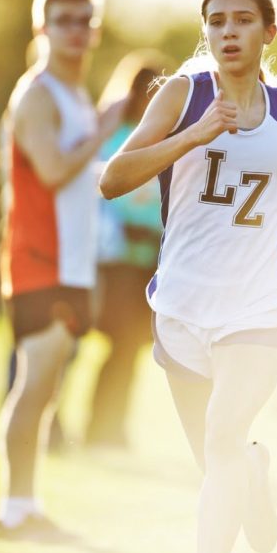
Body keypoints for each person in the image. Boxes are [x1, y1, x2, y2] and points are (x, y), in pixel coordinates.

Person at [100, 0, 277, 553]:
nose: (227, 32)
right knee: (222, 460)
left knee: (222, 436)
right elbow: (112, 178)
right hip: (182, 306)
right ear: (205, 32)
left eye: (242, 20)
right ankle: (256, 475)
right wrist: (193, 135)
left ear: (270, 32)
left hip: (259, 306)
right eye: (215, 22)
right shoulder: (184, 95)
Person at [0, 0, 122, 538]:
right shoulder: (37, 93)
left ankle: (28, 502)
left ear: (94, 31)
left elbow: (76, 175)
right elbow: (50, 170)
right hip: (37, 258)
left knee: (48, 390)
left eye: (84, 20)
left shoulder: (74, 95)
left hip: (73, 261)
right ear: (42, 27)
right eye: (63, 20)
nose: (75, 30)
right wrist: (104, 130)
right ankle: (12, 509)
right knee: (35, 383)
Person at [86, 50, 172, 447]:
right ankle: (91, 426)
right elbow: (103, 188)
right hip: (113, 256)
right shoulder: (116, 134)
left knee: (131, 346)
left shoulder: (164, 140)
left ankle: (112, 426)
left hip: (148, 258)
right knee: (110, 341)